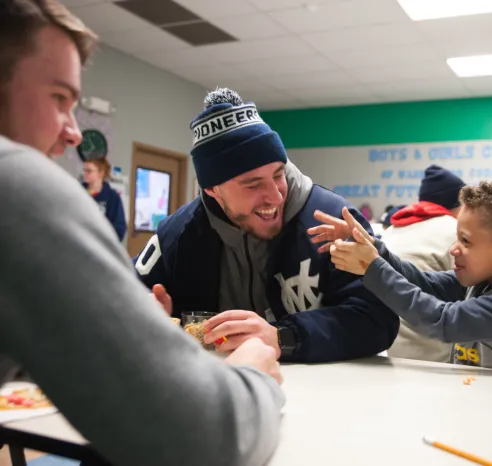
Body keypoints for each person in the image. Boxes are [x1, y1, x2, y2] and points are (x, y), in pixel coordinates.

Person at [0, 2, 284, 465]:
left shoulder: (322, 215)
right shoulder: (16, 185)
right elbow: (204, 438)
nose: (74, 133)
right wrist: (251, 369)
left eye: (277, 176)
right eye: (58, 98)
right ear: (212, 189)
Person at [133, 87, 399, 363]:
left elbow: (379, 318)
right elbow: (124, 293)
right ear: (212, 189)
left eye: (277, 174)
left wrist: (284, 337)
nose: (275, 196)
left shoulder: (335, 221)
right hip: (221, 395)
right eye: (252, 184)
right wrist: (143, 312)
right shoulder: (177, 236)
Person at [310, 180, 492, 371]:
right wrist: (374, 248)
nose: (454, 249)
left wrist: (372, 267)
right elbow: (424, 283)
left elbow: (442, 321)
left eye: (466, 241)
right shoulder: (485, 281)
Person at [380, 165, 464, 363]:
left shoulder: (391, 230)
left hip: (387, 350)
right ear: (456, 204)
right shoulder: (455, 230)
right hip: (437, 357)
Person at [82, 156, 126, 241]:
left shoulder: (113, 197)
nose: (85, 173)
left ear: (100, 173)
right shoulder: (78, 191)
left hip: (100, 246)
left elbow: (119, 229)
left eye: (89, 171)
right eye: (84, 170)